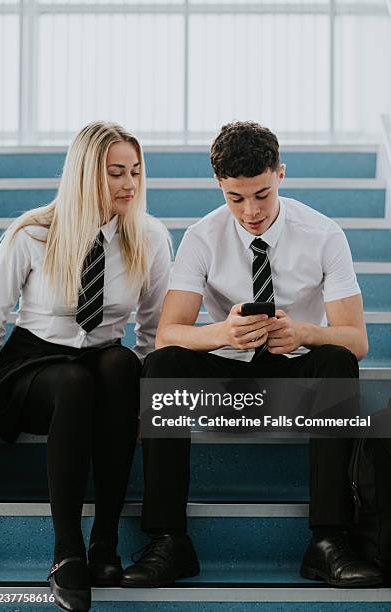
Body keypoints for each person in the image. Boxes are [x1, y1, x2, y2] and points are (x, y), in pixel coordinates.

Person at [121, 121, 383, 589]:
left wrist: (302, 332)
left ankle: (328, 540)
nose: (250, 211)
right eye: (235, 198)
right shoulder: (203, 236)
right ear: (219, 186)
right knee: (162, 365)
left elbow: (358, 340)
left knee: (338, 360)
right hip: (228, 374)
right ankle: (168, 539)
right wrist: (223, 332)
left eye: (261, 194)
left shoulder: (323, 233)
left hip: (291, 374)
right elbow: (168, 334)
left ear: (280, 174)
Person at [0, 121, 171, 611]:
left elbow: (153, 333)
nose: (129, 184)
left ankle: (104, 545)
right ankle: (67, 553)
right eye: (115, 173)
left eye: (134, 171)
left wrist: (146, 409)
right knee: (74, 380)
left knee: (121, 366)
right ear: (86, 174)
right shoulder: (31, 234)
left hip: (101, 367)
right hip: (33, 366)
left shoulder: (149, 238)